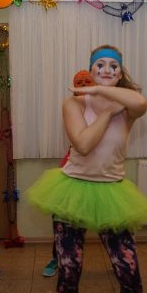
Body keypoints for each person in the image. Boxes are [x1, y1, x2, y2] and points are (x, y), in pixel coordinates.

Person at [28, 45, 147, 293]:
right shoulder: (74, 102)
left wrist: (105, 94)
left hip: (112, 193)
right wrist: (107, 110)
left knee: (128, 270)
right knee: (69, 269)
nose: (107, 69)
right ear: (90, 69)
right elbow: (83, 144)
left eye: (114, 65)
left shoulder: (129, 104)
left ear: (120, 72)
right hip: (73, 190)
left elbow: (141, 102)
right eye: (100, 64)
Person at [41, 70, 95, 278]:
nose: (83, 84)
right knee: (63, 215)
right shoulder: (71, 106)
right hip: (74, 166)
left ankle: (119, 257)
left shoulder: (103, 106)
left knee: (109, 218)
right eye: (78, 82)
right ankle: (57, 257)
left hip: (100, 169)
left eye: (87, 81)